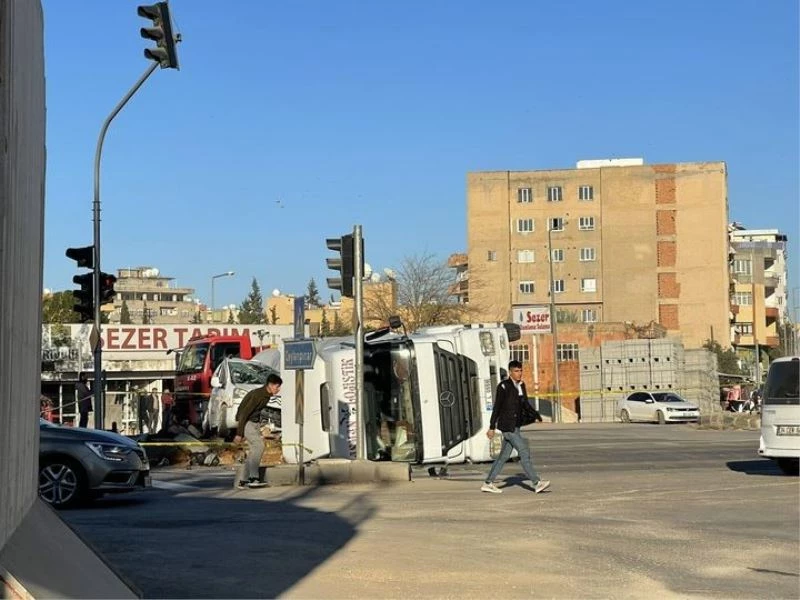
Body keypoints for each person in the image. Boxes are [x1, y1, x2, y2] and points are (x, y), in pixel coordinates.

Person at [481, 360, 550, 495]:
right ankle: (536, 483)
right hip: (508, 427)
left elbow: (524, 403)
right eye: (516, 371)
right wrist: (491, 427)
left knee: (503, 457)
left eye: (520, 371)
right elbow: (497, 408)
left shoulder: (521, 385)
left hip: (516, 426)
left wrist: (535, 414)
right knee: (523, 451)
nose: (519, 373)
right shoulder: (503, 386)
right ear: (510, 372)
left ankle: (488, 483)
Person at [233, 373, 283, 489]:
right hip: (247, 423)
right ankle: (253, 478)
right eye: (277, 386)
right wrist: (239, 434)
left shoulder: (265, 395)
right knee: (259, 446)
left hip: (253, 424)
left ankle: (243, 480)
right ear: (270, 385)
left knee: (253, 452)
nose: (278, 389)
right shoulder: (258, 395)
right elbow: (244, 414)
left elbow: (256, 412)